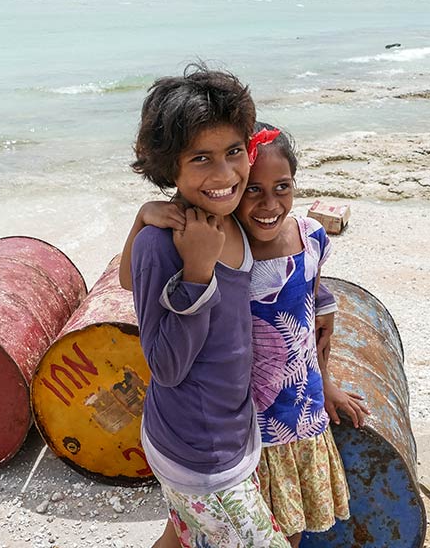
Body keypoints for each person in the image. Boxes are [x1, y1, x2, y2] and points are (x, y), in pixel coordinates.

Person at [123, 122, 370, 547]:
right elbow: (146, 303)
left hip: (295, 414)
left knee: (284, 524)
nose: (268, 204)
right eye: (254, 190)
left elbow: (310, 316)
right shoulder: (221, 244)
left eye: (283, 187)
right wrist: (145, 216)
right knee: (194, 533)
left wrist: (327, 382)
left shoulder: (302, 239)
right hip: (237, 429)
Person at [128, 64, 292, 547]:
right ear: (168, 167)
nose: (225, 175)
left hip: (231, 427)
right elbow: (165, 365)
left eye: (234, 152)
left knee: (181, 540)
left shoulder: (233, 219)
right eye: (201, 158)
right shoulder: (164, 245)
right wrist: (197, 274)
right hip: (200, 452)